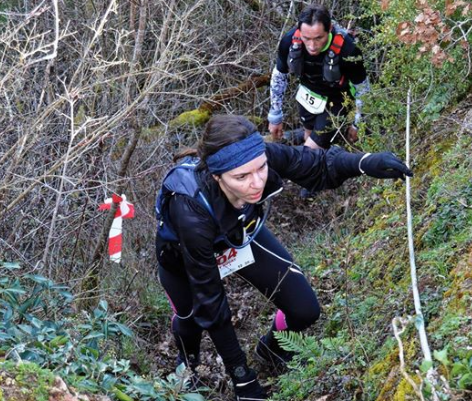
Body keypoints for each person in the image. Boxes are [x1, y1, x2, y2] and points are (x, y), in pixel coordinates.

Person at [154, 115, 411, 400]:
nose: (257, 183)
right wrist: (242, 378)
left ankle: (272, 348)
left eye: (261, 169)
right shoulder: (190, 210)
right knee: (191, 317)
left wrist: (364, 162)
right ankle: (187, 367)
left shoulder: (256, 155)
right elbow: (212, 303)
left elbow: (313, 163)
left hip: (238, 234)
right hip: (183, 256)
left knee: (304, 310)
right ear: (217, 175)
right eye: (241, 177)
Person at [267, 4, 370, 151]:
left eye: (318, 38)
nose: (312, 46)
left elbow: (363, 88)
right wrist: (275, 115)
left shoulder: (348, 49)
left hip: (337, 99)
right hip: (307, 94)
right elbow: (279, 76)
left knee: (310, 150)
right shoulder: (289, 41)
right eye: (306, 38)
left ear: (329, 29)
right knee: (308, 138)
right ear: (299, 31)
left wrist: (358, 124)